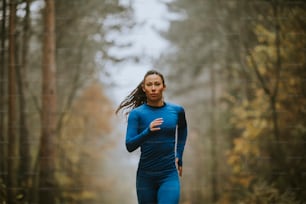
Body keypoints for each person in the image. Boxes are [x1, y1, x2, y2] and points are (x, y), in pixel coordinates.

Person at [116, 70, 188, 204]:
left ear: (164, 86)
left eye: (157, 84)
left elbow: (183, 128)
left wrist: (179, 154)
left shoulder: (176, 111)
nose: (153, 88)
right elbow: (129, 145)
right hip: (145, 178)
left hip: (169, 175)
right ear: (144, 88)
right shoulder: (136, 114)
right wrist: (147, 132)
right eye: (149, 85)